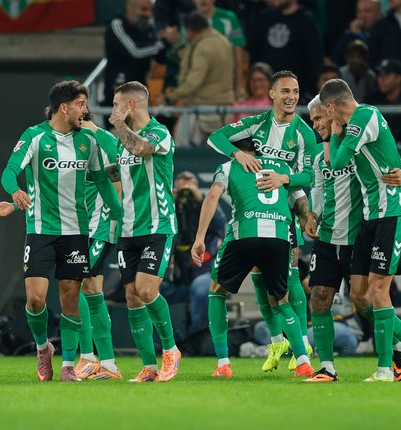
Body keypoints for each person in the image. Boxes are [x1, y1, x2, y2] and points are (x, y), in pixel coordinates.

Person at [0, 81, 121, 383]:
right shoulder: (34, 136)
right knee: (35, 300)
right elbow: (10, 171)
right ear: (64, 107)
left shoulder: (87, 141)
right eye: (81, 105)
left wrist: (119, 214)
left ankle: (69, 366)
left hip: (76, 232)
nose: (86, 111)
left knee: (71, 298)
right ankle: (42, 348)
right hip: (40, 230)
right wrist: (15, 191)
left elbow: (102, 180)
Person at [207, 70, 319, 373]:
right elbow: (215, 137)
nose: (291, 97)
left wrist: (285, 178)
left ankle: (303, 345)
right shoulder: (257, 123)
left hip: (287, 202)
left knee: (289, 276)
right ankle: (277, 340)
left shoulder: (304, 134)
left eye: (295, 92)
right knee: (259, 273)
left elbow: (309, 176)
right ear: (272, 94)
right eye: (285, 91)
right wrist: (237, 154)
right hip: (259, 204)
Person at [320, 78, 401, 382]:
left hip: (392, 213)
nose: (326, 121)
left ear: (332, 107)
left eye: (325, 114)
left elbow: (337, 161)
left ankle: (385, 369)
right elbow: (395, 159)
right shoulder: (364, 120)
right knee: (359, 294)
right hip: (370, 217)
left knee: (378, 290)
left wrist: (336, 134)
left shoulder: (363, 116)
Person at [192, 136, 314, 379]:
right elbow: (300, 198)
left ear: (236, 149)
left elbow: (213, 196)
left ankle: (223, 363)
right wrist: (306, 220)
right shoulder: (282, 167)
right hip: (279, 238)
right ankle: (303, 362)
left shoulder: (229, 166)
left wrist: (200, 237)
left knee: (216, 290)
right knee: (282, 300)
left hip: (245, 235)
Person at [109, 81, 182, 382]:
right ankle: (149, 366)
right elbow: (117, 171)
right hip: (128, 228)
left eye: (116, 105)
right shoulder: (121, 142)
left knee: (147, 289)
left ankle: (171, 351)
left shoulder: (158, 132)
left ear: (130, 105)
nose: (112, 111)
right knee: (131, 296)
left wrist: (118, 126)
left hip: (157, 224)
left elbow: (140, 148)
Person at [73, 116, 123, 380]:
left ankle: (88, 356)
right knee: (91, 290)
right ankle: (108, 364)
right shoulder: (73, 145)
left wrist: (118, 218)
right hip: (82, 228)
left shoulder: (103, 143)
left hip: (102, 226)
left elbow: (119, 181)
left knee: (76, 283)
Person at [160, 171, 226, 335]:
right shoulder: (170, 206)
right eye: (182, 187)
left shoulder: (206, 203)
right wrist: (170, 202)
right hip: (176, 276)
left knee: (200, 289)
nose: (186, 192)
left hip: (203, 270)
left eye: (190, 186)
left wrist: (201, 200)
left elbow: (220, 225)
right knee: (149, 291)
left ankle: (198, 338)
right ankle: (171, 339)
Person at [158, 12, 235, 147]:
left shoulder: (202, 47)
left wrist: (170, 97)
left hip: (201, 110)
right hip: (224, 109)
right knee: (220, 154)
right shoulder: (224, 41)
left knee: (182, 149)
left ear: (189, 30)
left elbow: (194, 81)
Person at [103, 0, 176, 110]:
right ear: (130, 7)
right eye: (143, 9)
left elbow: (159, 57)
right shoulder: (117, 25)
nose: (148, 14)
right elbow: (136, 52)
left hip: (141, 91)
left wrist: (168, 42)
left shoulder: (148, 28)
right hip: (119, 92)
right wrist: (164, 42)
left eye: (150, 10)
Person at [250, 0, 324, 97]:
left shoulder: (306, 20)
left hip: (297, 93)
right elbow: (254, 53)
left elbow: (314, 59)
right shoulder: (265, 17)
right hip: (266, 93)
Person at [192, 0, 249, 99]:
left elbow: (238, 55)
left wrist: (239, 86)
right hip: (198, 84)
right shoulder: (190, 20)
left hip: (225, 84)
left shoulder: (229, 18)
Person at [364, 58, 401, 146]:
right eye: (380, 75)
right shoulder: (371, 101)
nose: (381, 79)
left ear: (399, 78)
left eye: (386, 75)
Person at [330, 0, 383, 67]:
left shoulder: (385, 31)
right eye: (359, 11)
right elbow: (335, 58)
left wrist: (360, 36)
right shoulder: (351, 33)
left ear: (379, 14)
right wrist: (351, 33)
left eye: (367, 11)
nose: (362, 16)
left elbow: (372, 57)